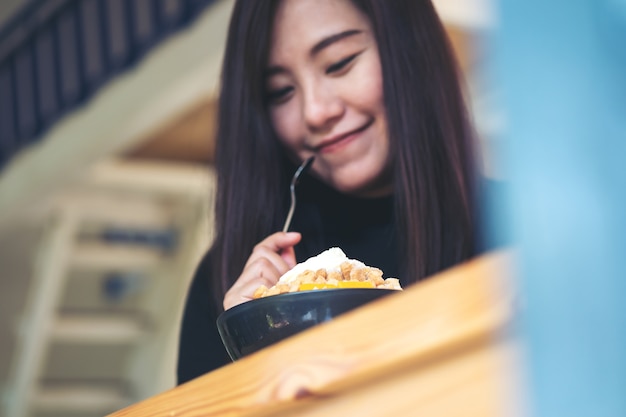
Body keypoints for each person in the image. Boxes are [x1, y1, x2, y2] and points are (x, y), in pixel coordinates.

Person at [177, 0, 483, 384]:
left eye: (340, 63)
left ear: (411, 49)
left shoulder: (523, 232)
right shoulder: (232, 278)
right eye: (281, 91)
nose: (315, 112)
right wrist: (252, 343)